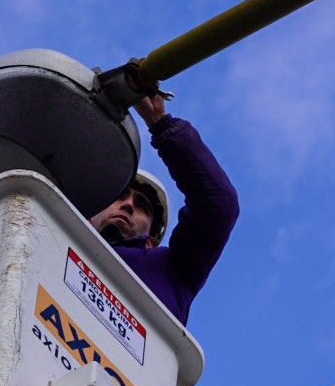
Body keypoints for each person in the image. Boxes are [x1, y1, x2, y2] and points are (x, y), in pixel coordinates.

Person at [89, 94, 239, 326]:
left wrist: (159, 122)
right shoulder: (50, 229)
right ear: (90, 217)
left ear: (151, 242)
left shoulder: (171, 271)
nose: (128, 205)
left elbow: (218, 205)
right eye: (119, 196)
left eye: (142, 206)